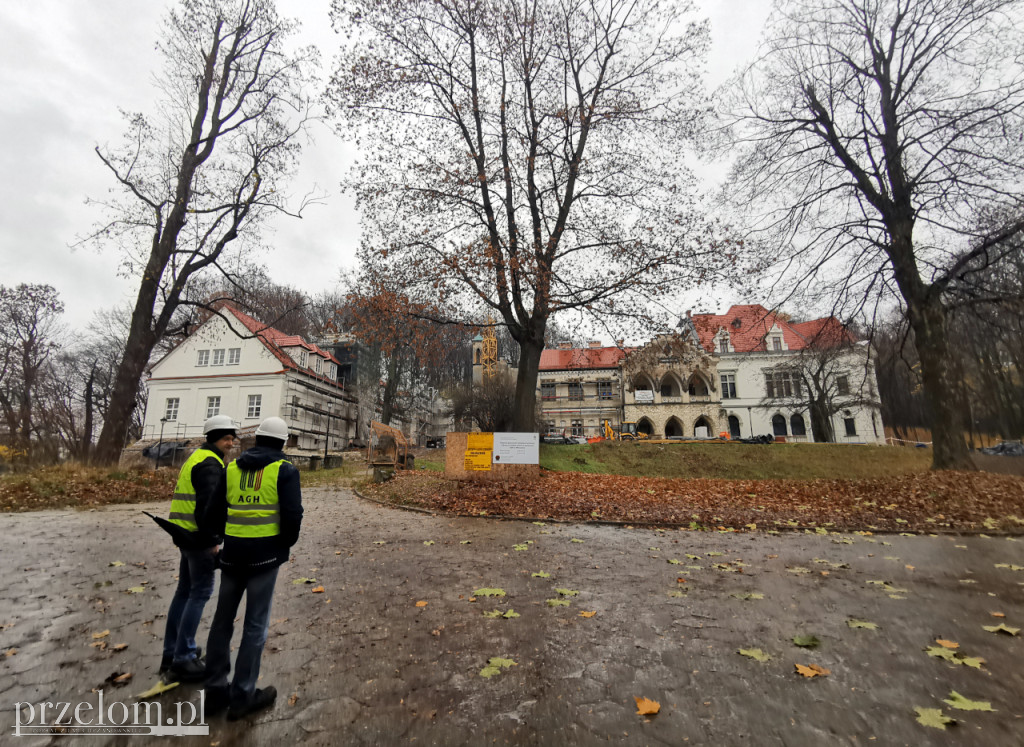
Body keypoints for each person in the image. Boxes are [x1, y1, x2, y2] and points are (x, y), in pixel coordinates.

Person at [201, 416, 303, 720]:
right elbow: (292, 515)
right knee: (255, 625)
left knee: (222, 621)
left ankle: (215, 691)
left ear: (256, 439)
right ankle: (243, 694)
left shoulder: (232, 468)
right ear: (283, 442)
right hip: (264, 559)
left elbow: (213, 513)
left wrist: (219, 539)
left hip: (232, 555)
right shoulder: (285, 470)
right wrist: (283, 545)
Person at [160, 414, 236, 682]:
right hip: (200, 539)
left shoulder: (195, 457)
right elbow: (209, 508)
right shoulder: (210, 465)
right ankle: (183, 657)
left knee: (184, 592)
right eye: (227, 438)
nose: (232, 442)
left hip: (185, 535)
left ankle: (172, 651)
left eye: (232, 438)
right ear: (215, 438)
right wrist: (214, 541)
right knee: (199, 593)